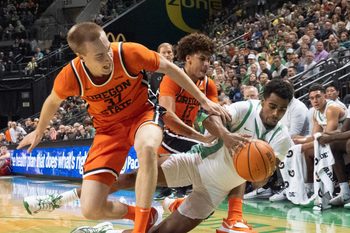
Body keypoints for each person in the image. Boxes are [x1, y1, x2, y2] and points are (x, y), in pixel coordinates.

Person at [18, 22, 229, 233]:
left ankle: (139, 229)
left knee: (147, 149)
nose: (108, 58)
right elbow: (52, 101)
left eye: (107, 49)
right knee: (91, 209)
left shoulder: (129, 53)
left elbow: (170, 68)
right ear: (81, 58)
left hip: (142, 116)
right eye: (99, 56)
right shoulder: (71, 76)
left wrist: (202, 100)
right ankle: (143, 215)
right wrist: (39, 131)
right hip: (107, 131)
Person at [72, 79, 294, 233]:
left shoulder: (282, 138)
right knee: (134, 177)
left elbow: (260, 180)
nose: (275, 113)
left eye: (282, 110)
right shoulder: (244, 108)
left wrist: (261, 172)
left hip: (214, 192)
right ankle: (86, 194)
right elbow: (208, 117)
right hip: (194, 163)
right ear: (263, 100)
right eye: (272, 106)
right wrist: (227, 136)